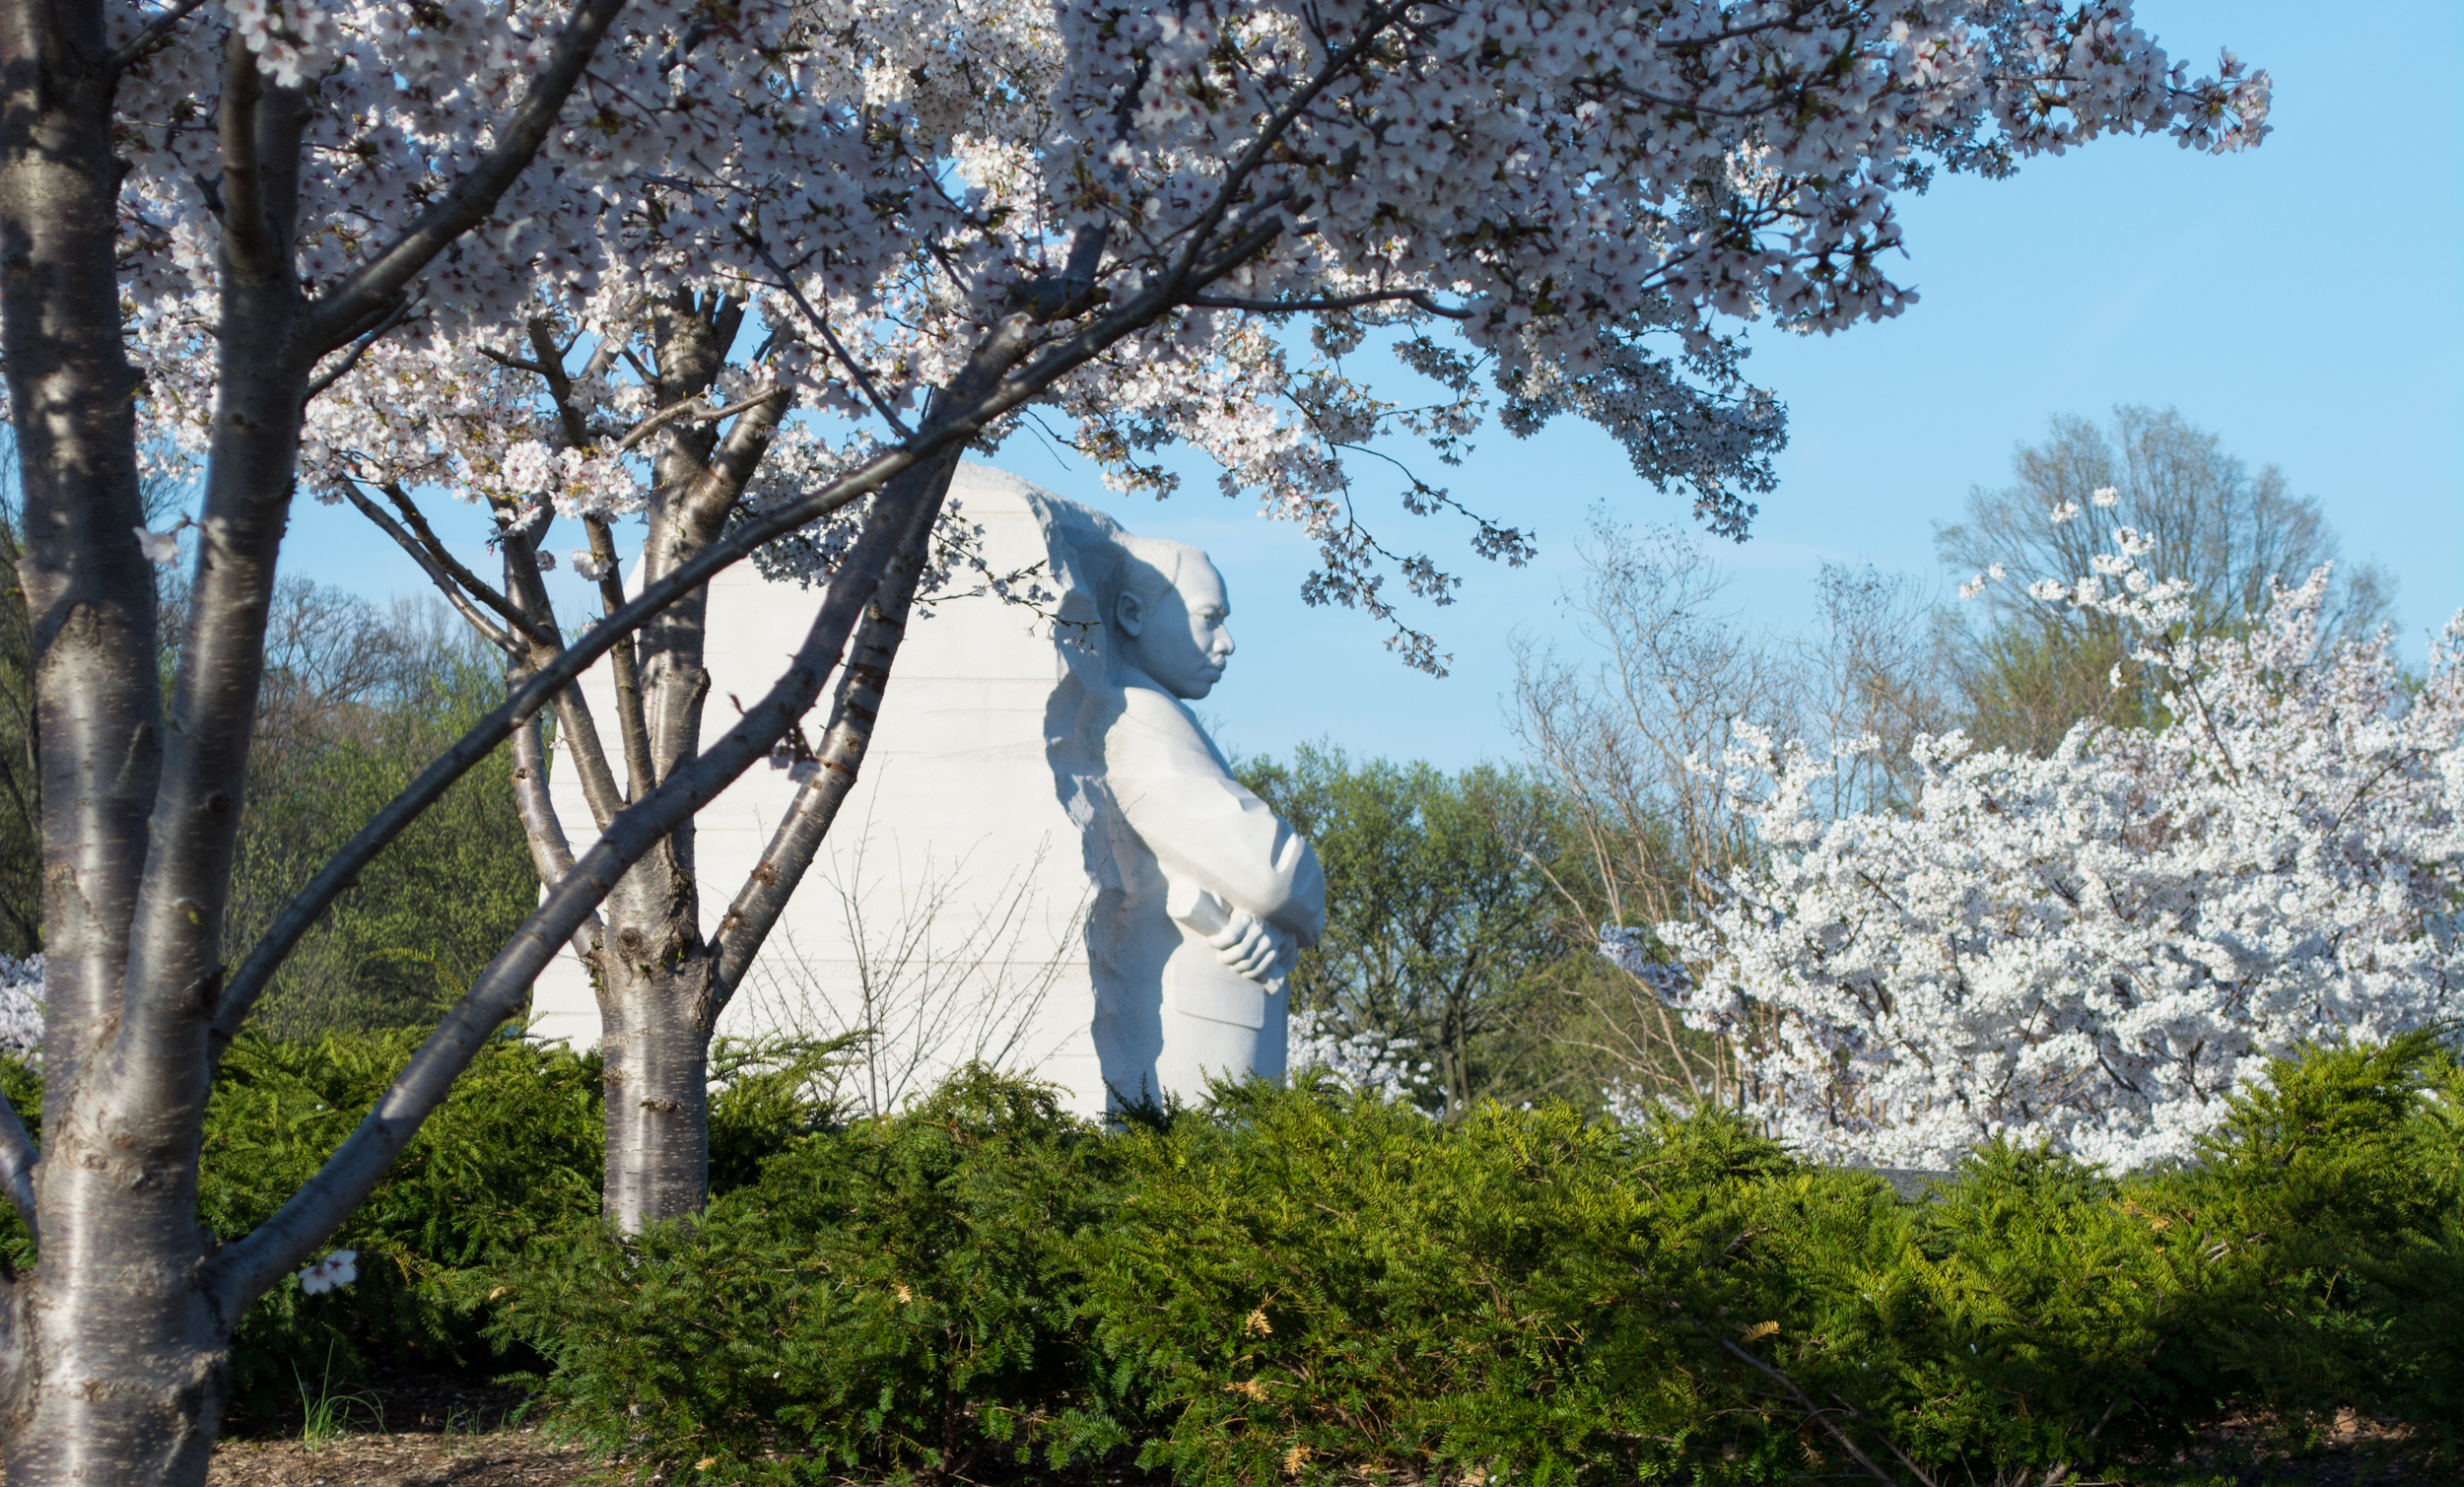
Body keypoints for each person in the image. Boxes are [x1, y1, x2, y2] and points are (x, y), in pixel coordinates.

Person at [1083, 535, 1326, 1104]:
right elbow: (1273, 875)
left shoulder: (1160, 714)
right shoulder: (1139, 716)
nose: (1227, 642)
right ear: (1132, 614)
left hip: (1217, 1017)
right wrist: (1296, 906)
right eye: (1208, 619)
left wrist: (1275, 930)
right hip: (1193, 1029)